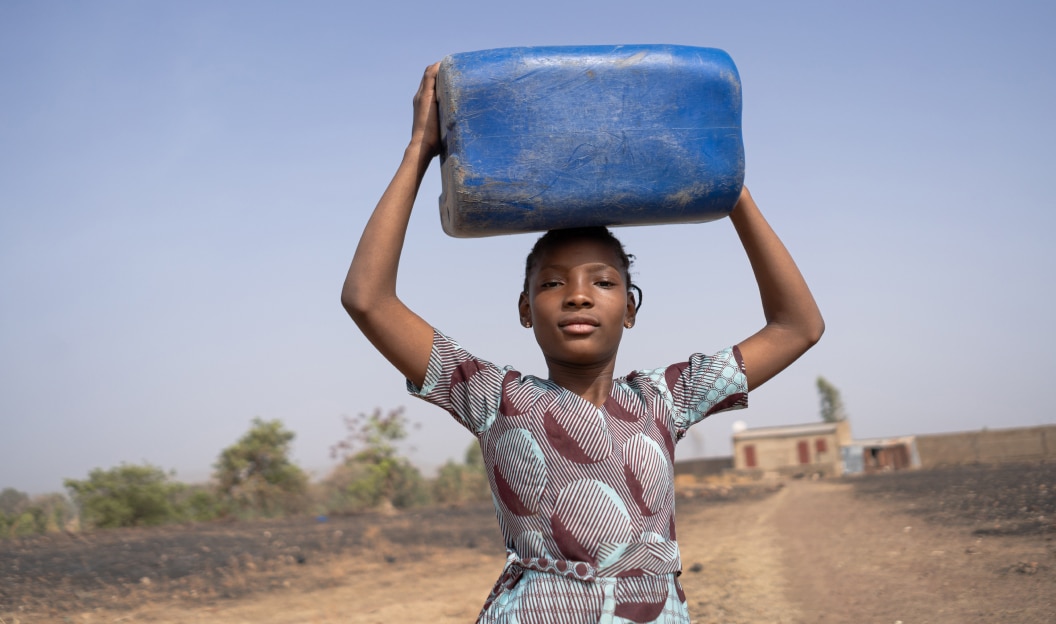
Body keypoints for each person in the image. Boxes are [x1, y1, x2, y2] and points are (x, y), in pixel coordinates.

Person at [341, 62, 824, 624]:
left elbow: (798, 327)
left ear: (631, 308)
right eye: (551, 283)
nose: (577, 296)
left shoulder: (665, 400)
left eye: (603, 281)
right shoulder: (494, 397)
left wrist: (725, 181)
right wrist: (418, 153)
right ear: (525, 311)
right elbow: (368, 299)